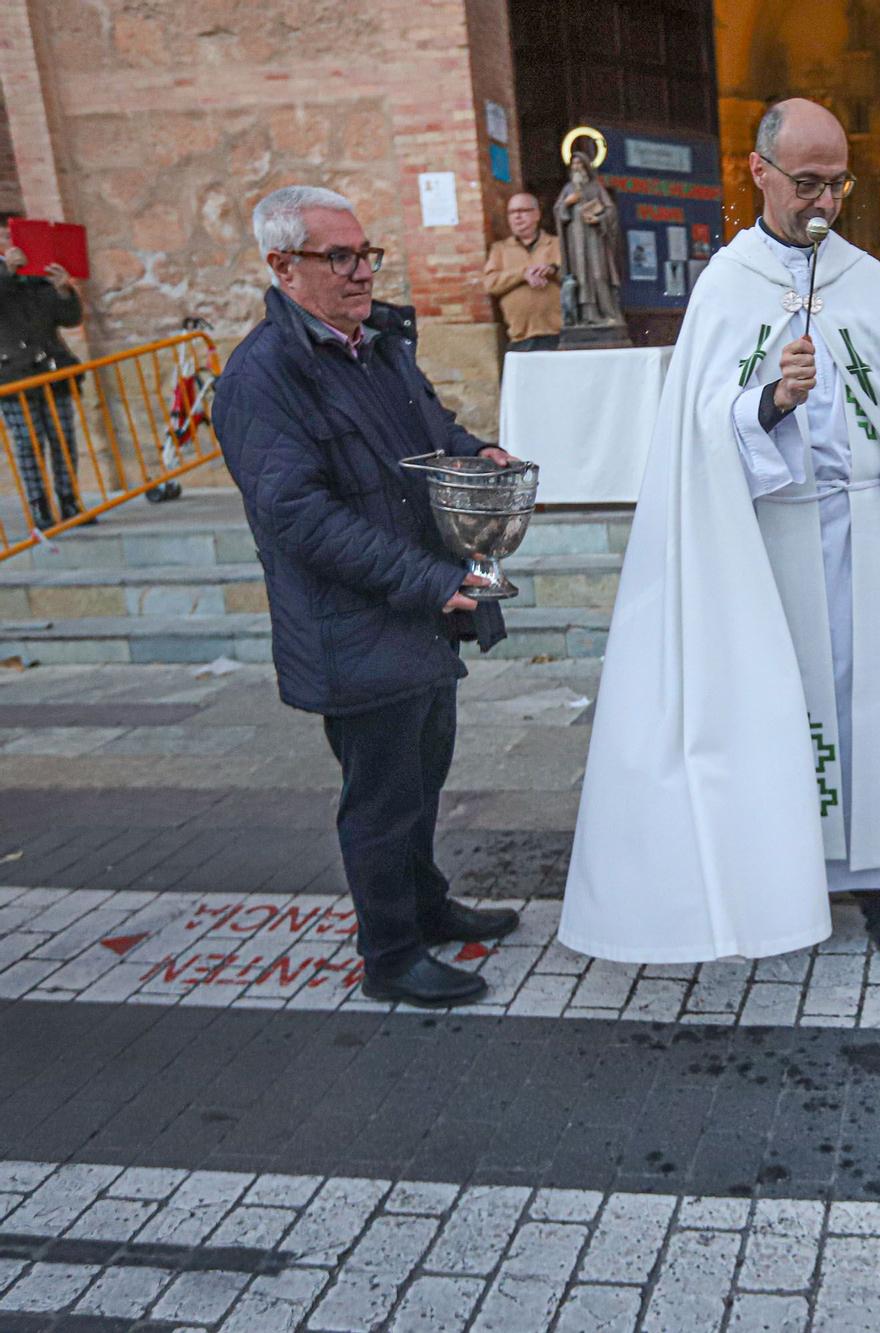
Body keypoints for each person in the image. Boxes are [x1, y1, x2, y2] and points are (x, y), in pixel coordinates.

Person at [561, 98, 880, 964]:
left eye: (838, 184)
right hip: (772, 539)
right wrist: (771, 401)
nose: (823, 201)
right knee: (782, 708)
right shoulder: (727, 286)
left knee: (877, 710)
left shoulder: (864, 279)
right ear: (760, 174)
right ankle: (786, 870)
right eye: (807, 183)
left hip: (867, 530)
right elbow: (697, 431)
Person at [212, 185, 524, 1009]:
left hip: (418, 618)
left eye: (365, 255)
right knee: (381, 799)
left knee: (423, 775)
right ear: (283, 267)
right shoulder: (262, 376)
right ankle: (390, 955)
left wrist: (476, 452)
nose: (360, 273)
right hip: (354, 625)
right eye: (338, 258)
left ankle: (425, 904)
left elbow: (430, 432)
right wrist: (432, 580)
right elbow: (297, 517)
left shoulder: (375, 343)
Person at [0, 246, 86, 530]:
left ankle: (69, 499)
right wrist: (6, 272)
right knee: (28, 442)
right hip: (12, 375)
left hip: (52, 370)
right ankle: (39, 505)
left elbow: (70, 317)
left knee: (62, 438)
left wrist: (64, 290)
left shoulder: (37, 275)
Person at [482, 192, 562, 353]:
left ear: (537, 214)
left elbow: (574, 277)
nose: (517, 217)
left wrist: (551, 270)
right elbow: (490, 284)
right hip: (520, 337)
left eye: (523, 211)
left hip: (557, 334)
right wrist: (523, 273)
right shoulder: (500, 249)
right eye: (512, 212)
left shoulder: (556, 244)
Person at [555, 151, 622, 329]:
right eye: (574, 164)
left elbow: (611, 210)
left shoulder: (596, 187)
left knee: (599, 275)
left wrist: (598, 219)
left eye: (580, 164)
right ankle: (587, 317)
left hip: (595, 240)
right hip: (575, 242)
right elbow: (558, 212)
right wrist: (568, 203)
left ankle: (608, 314)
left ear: (586, 167)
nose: (577, 167)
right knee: (581, 278)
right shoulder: (568, 189)